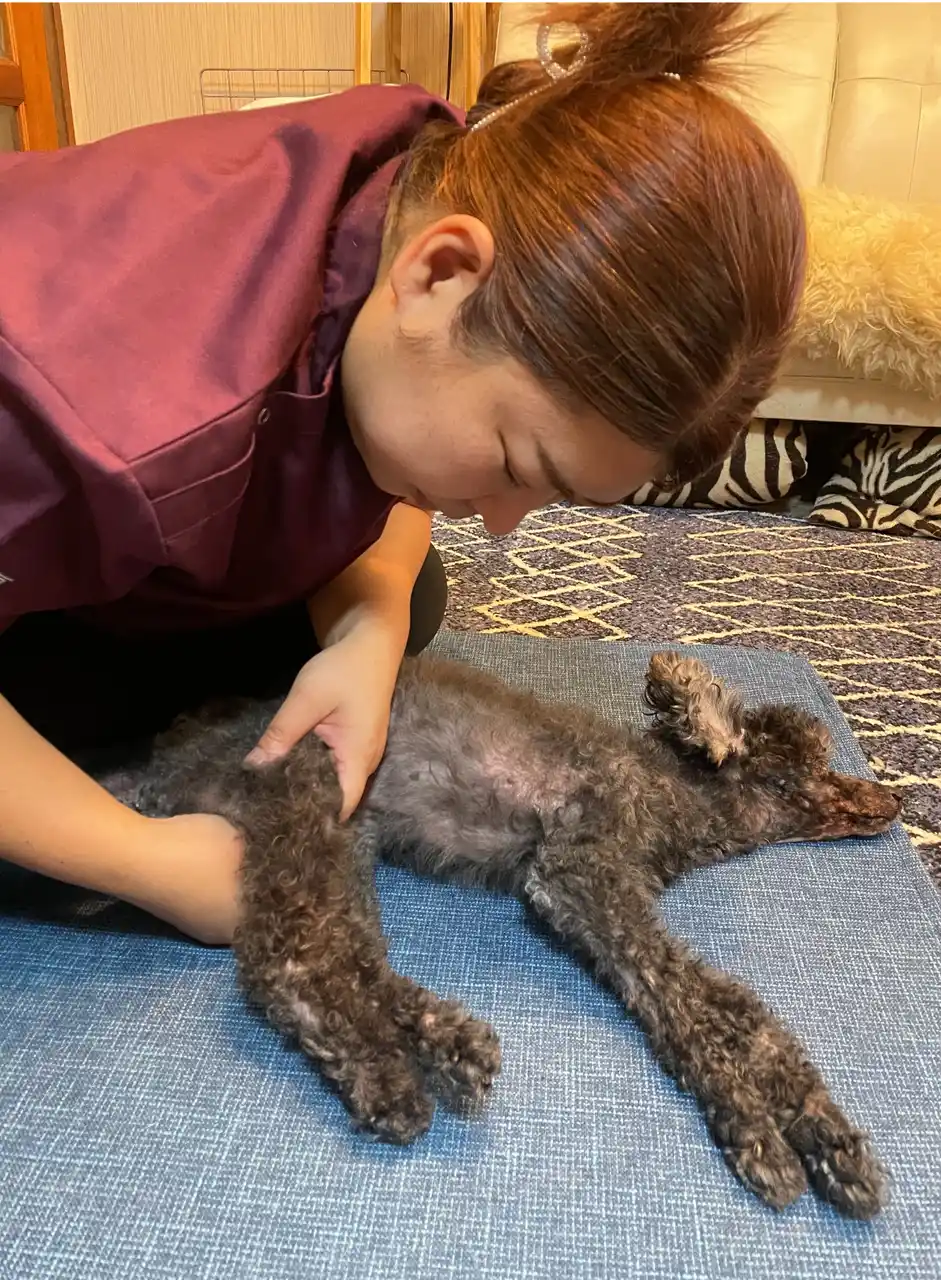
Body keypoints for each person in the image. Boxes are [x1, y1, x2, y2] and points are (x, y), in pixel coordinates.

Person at [0, 3, 806, 945]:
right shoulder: (117, 422)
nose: (503, 524)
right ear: (440, 274)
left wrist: (367, 637)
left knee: (403, 592)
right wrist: (148, 863)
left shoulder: (440, 165)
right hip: (58, 484)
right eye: (515, 463)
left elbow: (380, 473)